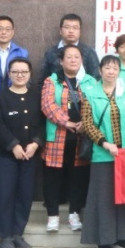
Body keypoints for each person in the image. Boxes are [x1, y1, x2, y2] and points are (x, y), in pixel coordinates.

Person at [79, 55, 125, 248]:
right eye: (107, 68)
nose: (111, 71)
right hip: (103, 154)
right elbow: (88, 123)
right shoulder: (90, 93)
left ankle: (123, 237)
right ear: (100, 71)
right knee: (104, 198)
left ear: (119, 71)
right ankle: (104, 239)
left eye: (115, 68)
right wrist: (105, 143)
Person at [0, 57, 43, 248]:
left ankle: (18, 234)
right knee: (5, 196)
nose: (20, 75)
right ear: (9, 74)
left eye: (24, 72)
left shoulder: (36, 96)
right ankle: (4, 237)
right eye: (15, 72)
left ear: (30, 74)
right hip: (5, 156)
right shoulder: (0, 98)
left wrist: (36, 143)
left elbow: (43, 123)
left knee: (24, 195)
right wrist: (13, 145)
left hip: (30, 155)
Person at [40, 45, 94, 233]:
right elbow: (47, 105)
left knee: (78, 176)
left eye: (76, 57)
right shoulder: (52, 80)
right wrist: (67, 122)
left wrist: (85, 123)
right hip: (57, 136)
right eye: (69, 57)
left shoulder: (90, 81)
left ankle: (74, 214)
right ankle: (52, 216)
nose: (73, 60)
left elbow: (96, 104)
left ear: (81, 61)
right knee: (52, 177)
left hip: (81, 137)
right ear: (61, 61)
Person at [40, 13, 100, 79]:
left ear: (80, 31)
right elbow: (43, 79)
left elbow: (96, 78)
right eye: (67, 27)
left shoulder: (89, 52)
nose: (71, 31)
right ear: (60, 30)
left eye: (75, 28)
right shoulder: (51, 52)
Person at [0, 15, 29, 96]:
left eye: (8, 29)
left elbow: (27, 78)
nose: (4, 32)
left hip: (13, 97)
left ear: (13, 32)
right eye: (0, 29)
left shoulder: (22, 53)